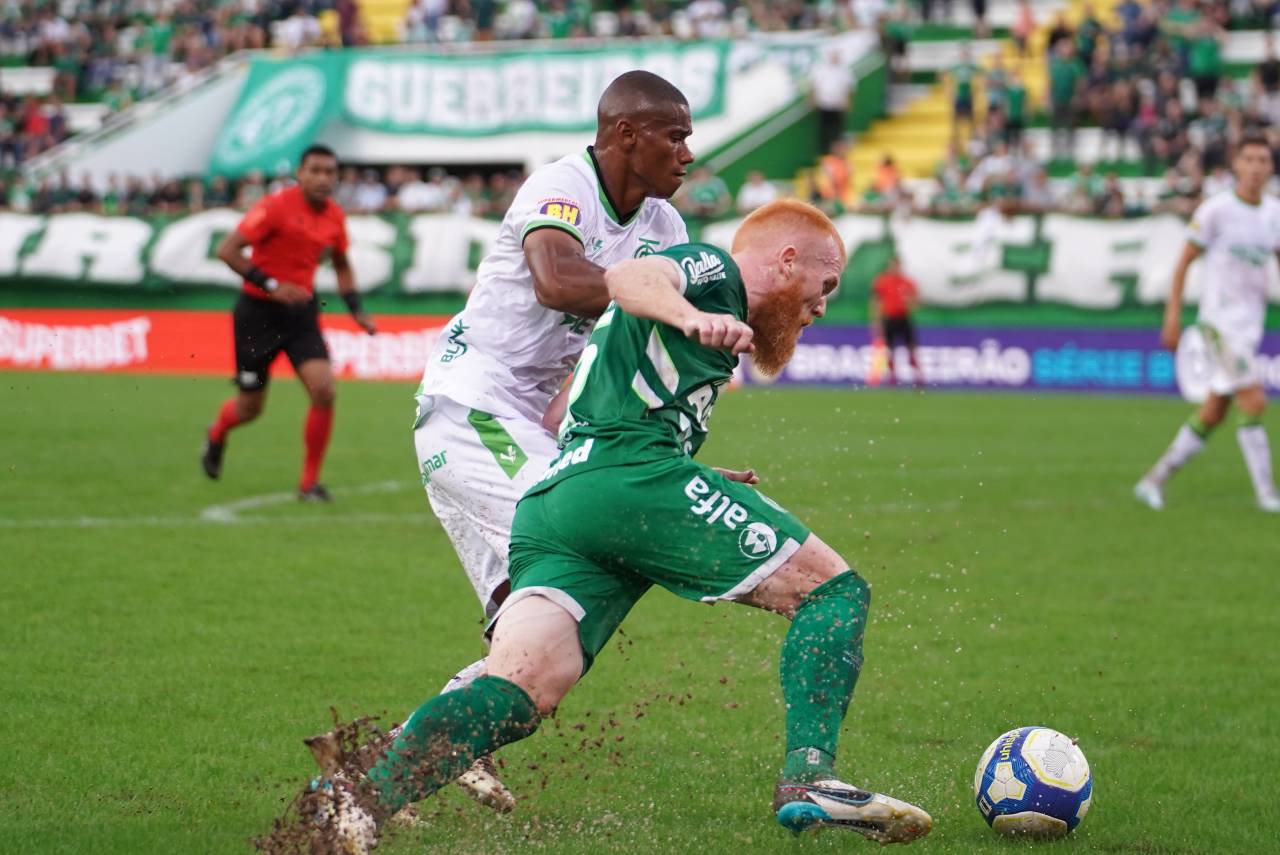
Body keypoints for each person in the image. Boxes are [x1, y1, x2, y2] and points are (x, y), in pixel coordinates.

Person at [301, 200, 932, 854]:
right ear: (787, 259)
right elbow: (631, 278)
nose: (823, 305)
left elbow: (570, 413)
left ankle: (357, 796)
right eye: (823, 286)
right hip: (626, 480)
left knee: (520, 688)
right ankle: (810, 777)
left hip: (560, 501)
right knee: (834, 591)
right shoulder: (715, 271)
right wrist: (692, 319)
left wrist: (687, 466)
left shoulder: (705, 319)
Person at [401, 70, 693, 811]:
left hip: (523, 426)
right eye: (675, 135)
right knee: (584, 547)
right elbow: (557, 279)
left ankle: (433, 736)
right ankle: (369, 781)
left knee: (537, 610)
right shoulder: (562, 184)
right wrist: (651, 290)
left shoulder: (665, 228)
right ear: (626, 134)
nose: (688, 153)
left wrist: (681, 463)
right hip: (472, 406)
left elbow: (636, 366)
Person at [200, 144, 376, 501]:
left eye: (330, 172)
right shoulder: (274, 207)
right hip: (256, 313)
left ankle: (309, 483)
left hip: (300, 313)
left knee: (324, 390)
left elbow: (341, 263)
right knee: (250, 408)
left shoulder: (334, 217)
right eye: (316, 170)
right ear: (300, 173)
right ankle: (218, 432)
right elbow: (227, 250)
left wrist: (355, 307)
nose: (323, 178)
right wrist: (271, 286)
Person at [1135, 134, 1280, 513]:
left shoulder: (1273, 214)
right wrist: (1173, 315)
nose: (1255, 167)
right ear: (1236, 165)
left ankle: (1153, 480)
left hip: (1250, 326)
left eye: (1262, 160)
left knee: (1215, 412)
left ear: (1270, 167)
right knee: (1254, 402)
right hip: (1218, 324)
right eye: (1248, 159)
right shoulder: (1216, 210)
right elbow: (1184, 261)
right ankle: (1268, 495)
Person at [870, 254, 923, 386]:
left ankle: (919, 378)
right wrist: (876, 322)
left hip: (904, 318)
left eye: (897, 265)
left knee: (911, 349)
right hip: (889, 319)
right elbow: (876, 302)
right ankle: (893, 378)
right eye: (893, 265)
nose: (895, 268)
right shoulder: (882, 282)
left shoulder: (907, 282)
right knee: (890, 350)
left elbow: (917, 301)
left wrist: (910, 302)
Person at [810, 49, 853, 156]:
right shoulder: (821, 70)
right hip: (824, 104)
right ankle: (824, 151)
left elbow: (849, 89)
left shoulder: (844, 71)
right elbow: (815, 86)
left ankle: (837, 152)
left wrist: (848, 102)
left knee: (837, 129)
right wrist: (813, 99)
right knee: (824, 128)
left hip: (838, 105)